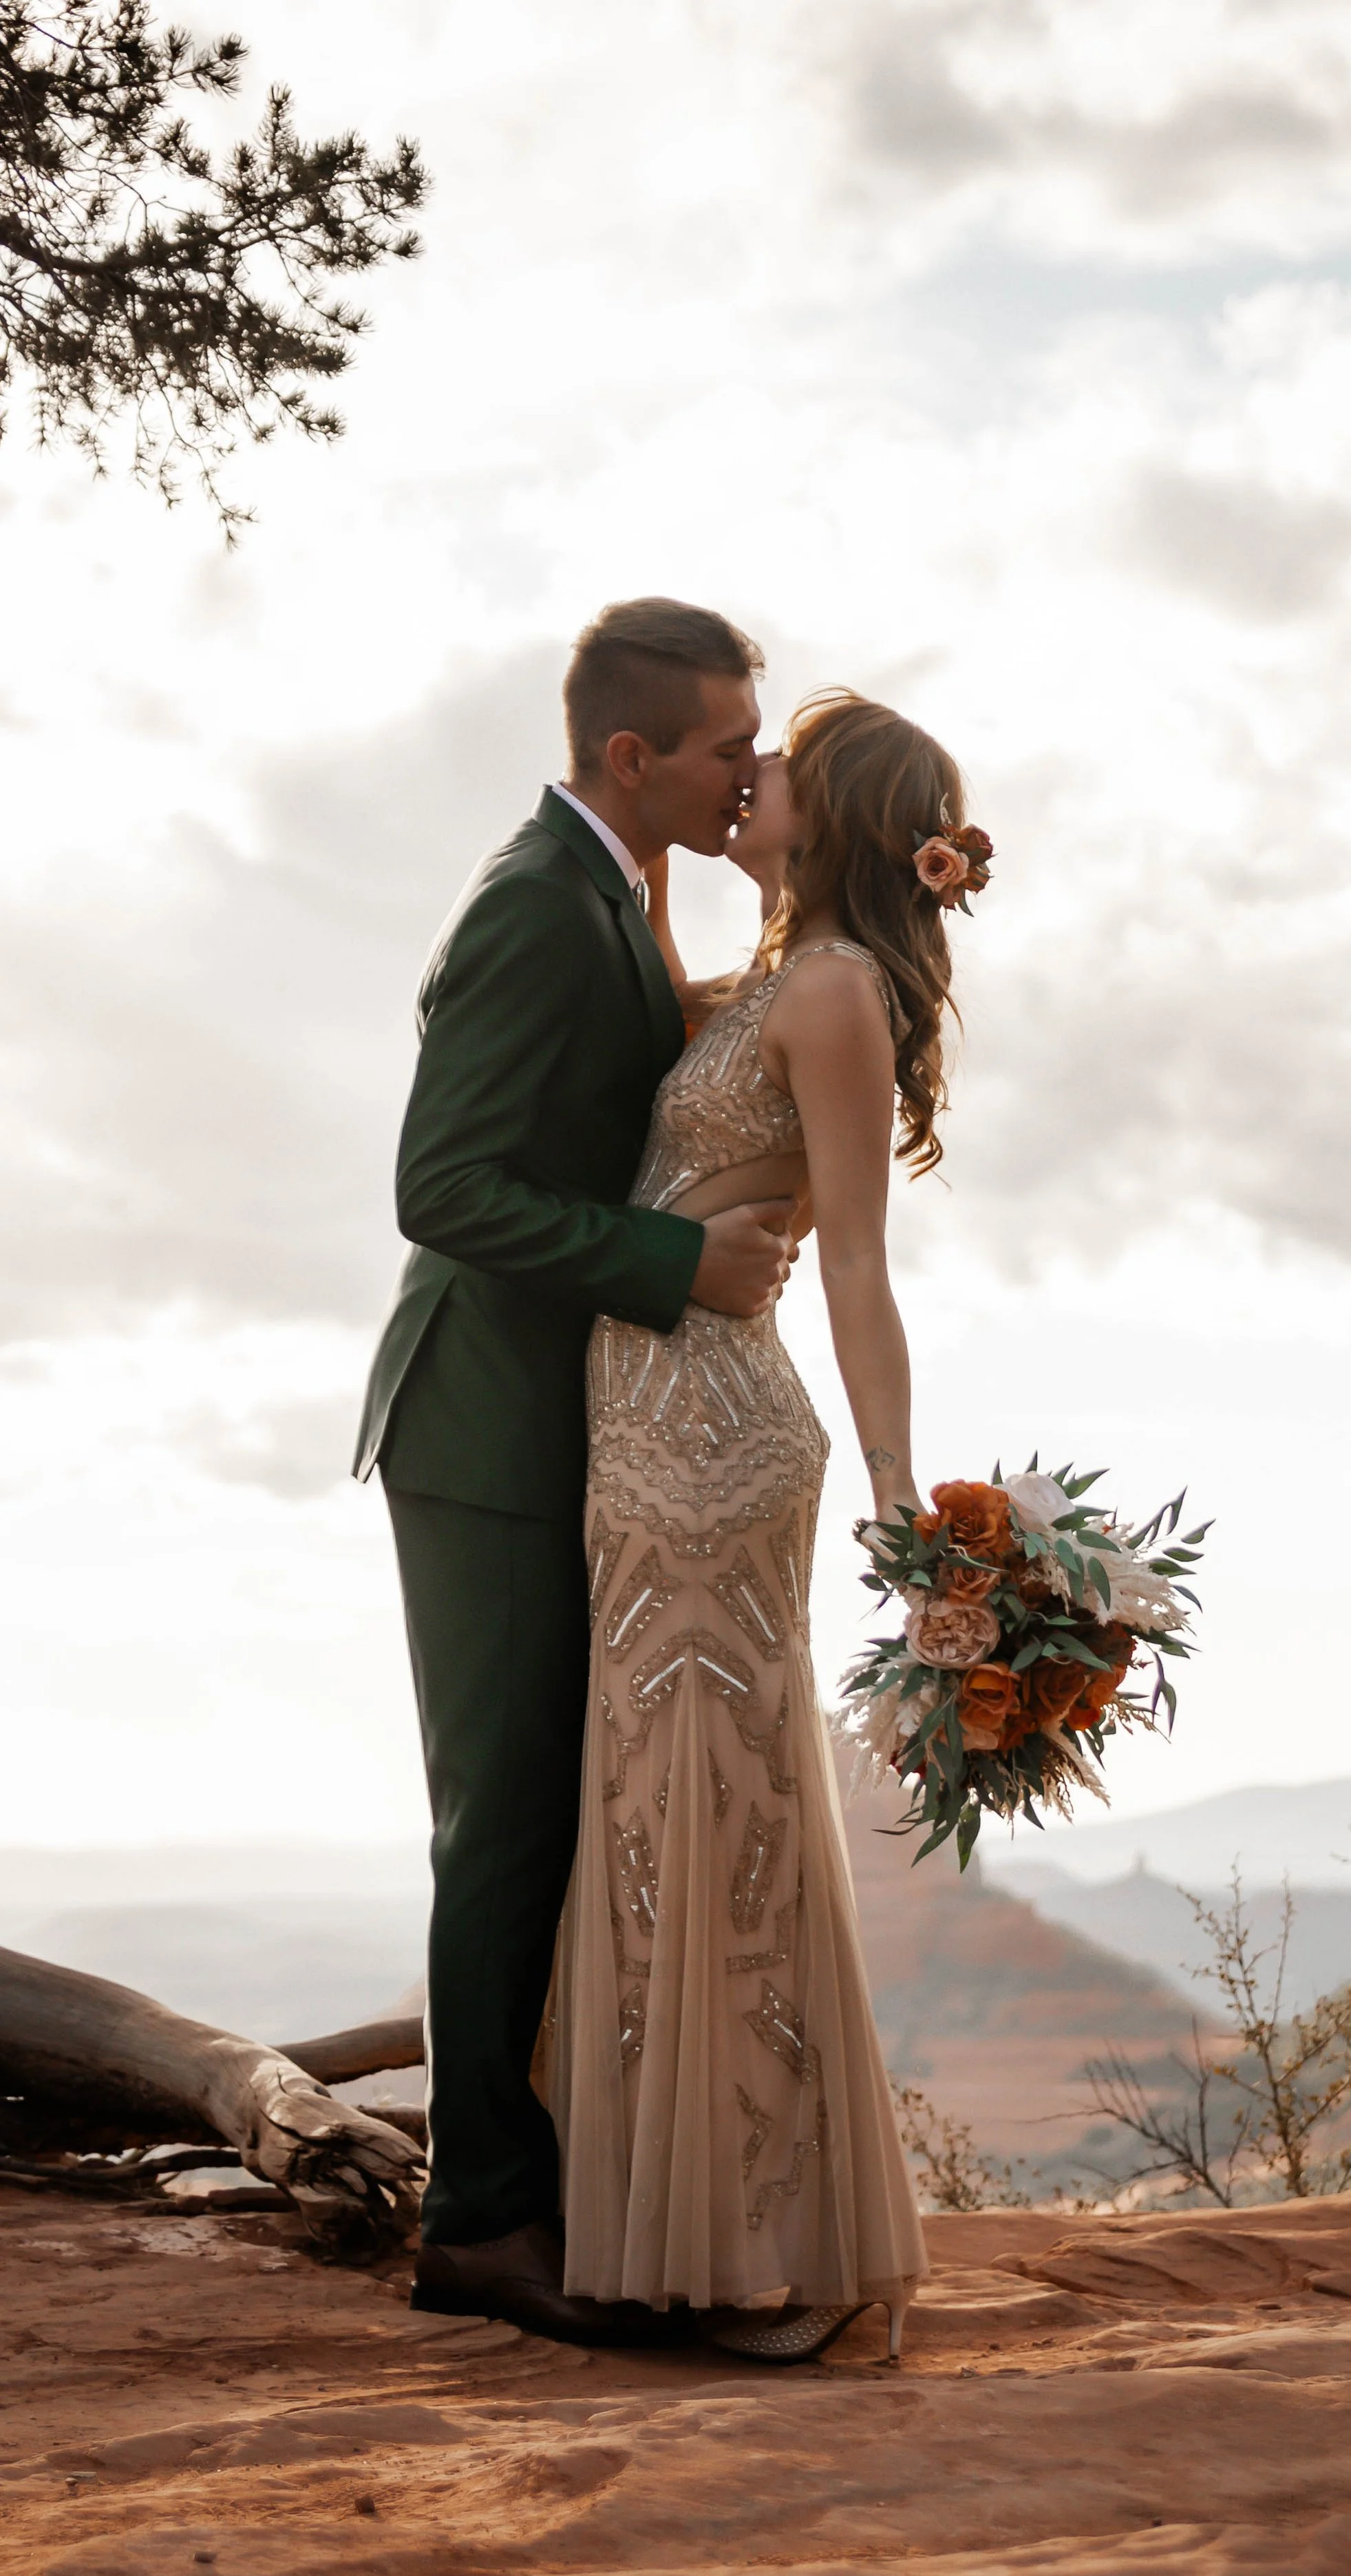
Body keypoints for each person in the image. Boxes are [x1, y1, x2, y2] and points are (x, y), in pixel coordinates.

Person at [352, 599, 799, 2344]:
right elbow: (440, 1188)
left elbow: (651, 1057)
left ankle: (542, 2186)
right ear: (632, 755)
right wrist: (665, 1264)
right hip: (480, 1433)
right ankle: (476, 2225)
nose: (748, 771)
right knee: (508, 1820)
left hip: (568, 1435)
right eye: (724, 750)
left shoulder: (612, 883)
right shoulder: (536, 907)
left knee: (552, 1813)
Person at [551, 688, 986, 2363]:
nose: (749, 778)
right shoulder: (760, 976)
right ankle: (685, 2239)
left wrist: (900, 1505)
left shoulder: (831, 992)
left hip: (718, 1443)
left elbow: (857, 1261)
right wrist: (659, 859)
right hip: (641, 1430)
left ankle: (783, 2263)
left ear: (843, 813)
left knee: (721, 1825)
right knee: (653, 1827)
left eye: (776, 765)